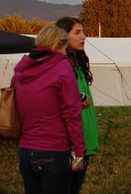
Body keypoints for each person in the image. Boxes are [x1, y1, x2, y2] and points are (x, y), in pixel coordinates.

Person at [13, 25, 86, 194]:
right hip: (54, 150)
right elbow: (71, 113)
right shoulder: (62, 67)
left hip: (26, 150)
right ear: (59, 44)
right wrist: (80, 151)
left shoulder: (24, 69)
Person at [56, 17, 99, 194]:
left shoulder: (78, 64)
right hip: (69, 144)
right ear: (63, 36)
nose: (83, 37)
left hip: (84, 142)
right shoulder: (59, 67)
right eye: (77, 32)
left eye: (83, 32)